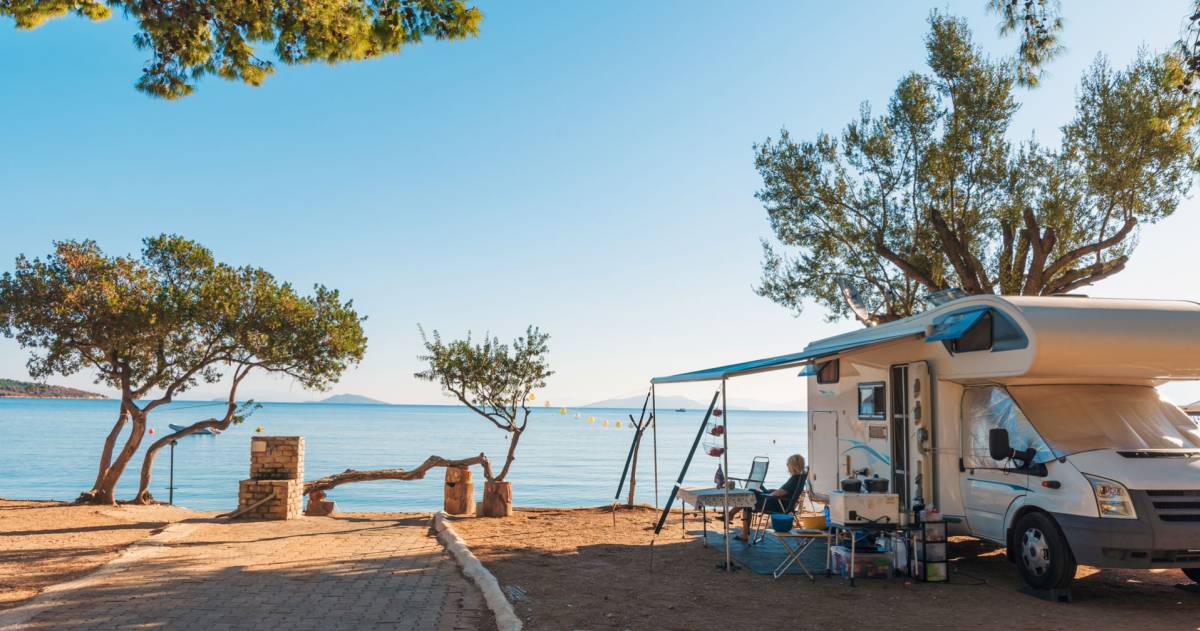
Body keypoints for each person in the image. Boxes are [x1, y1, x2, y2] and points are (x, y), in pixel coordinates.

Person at [730, 453, 806, 542]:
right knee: (751, 492)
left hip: (778, 504)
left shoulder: (794, 479)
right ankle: (733, 516)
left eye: (788, 463)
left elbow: (779, 493)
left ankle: (736, 522)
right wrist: (769, 491)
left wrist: (768, 494)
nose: (787, 466)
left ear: (793, 466)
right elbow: (783, 491)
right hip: (782, 502)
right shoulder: (799, 478)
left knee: (748, 498)